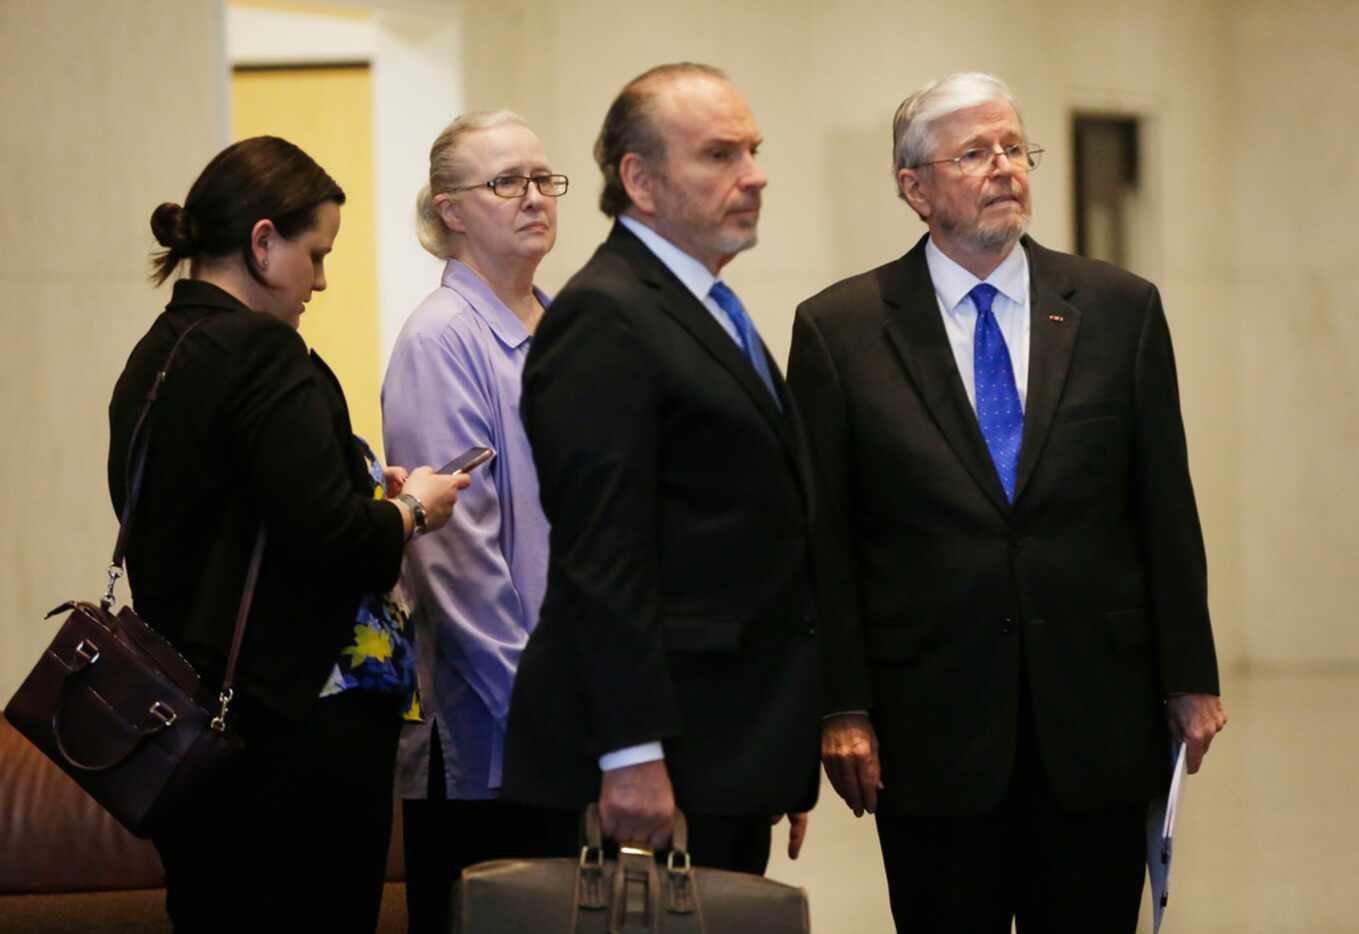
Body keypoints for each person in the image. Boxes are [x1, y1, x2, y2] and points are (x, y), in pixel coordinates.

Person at [786, 72, 1228, 933]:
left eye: (1013, 148)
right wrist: (841, 707)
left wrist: (1190, 677)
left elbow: (1164, 505)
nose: (1004, 168)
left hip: (1096, 716)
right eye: (974, 152)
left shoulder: (1116, 309)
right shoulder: (839, 329)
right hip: (930, 729)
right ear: (914, 189)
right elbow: (823, 537)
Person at [108, 136, 469, 933]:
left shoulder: (155, 355)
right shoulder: (262, 352)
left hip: (188, 728)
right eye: (317, 252)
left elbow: (233, 511)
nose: (323, 278)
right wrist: (414, 510)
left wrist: (362, 489)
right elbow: (335, 540)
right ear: (262, 240)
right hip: (293, 732)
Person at [500, 62, 819, 875]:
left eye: (752, 151)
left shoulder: (699, 305)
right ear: (639, 180)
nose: (755, 176)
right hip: (651, 758)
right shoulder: (606, 316)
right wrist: (629, 752)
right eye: (719, 156)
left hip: (723, 744)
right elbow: (603, 556)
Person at [381, 111, 574, 933]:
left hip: (572, 721)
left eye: (542, 178)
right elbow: (456, 570)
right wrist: (543, 724)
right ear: (449, 210)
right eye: (506, 182)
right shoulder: (441, 338)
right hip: (496, 742)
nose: (534, 197)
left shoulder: (566, 325)